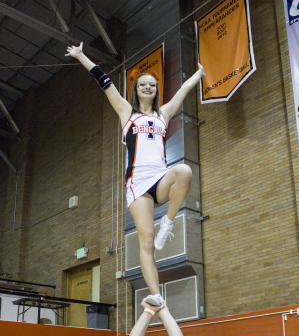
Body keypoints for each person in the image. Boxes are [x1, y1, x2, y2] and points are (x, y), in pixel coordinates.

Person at [65, 43, 204, 307]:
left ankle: (169, 223)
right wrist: (81, 55)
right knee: (147, 241)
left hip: (160, 178)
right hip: (137, 184)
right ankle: (156, 294)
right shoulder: (126, 113)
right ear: (136, 89)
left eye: (152, 84)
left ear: (156, 89)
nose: (148, 87)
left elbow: (184, 90)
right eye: (143, 84)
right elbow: (104, 81)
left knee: (184, 170)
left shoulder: (164, 114)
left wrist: (198, 75)